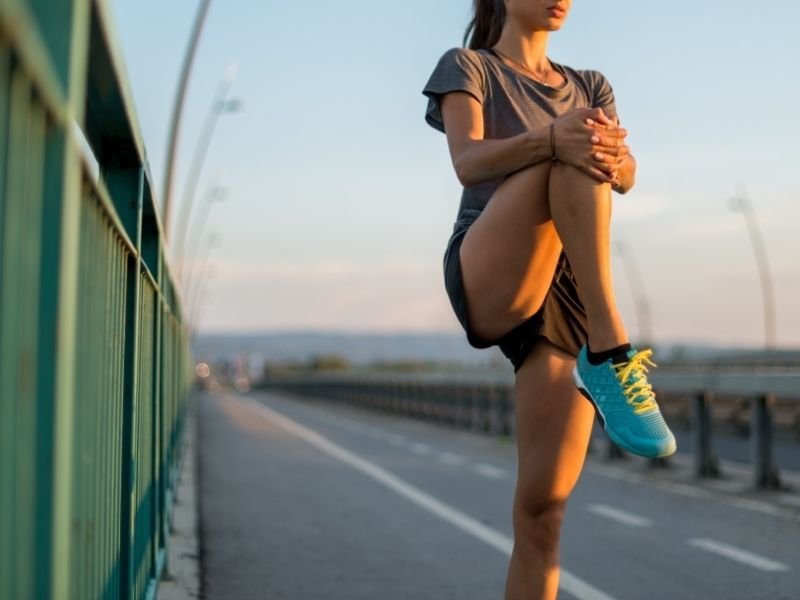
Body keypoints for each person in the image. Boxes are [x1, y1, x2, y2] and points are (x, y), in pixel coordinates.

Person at [421, 1, 677, 598]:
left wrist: (615, 156)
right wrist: (554, 138)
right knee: (570, 145)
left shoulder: (590, 85)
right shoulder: (470, 67)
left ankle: (598, 352)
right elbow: (469, 162)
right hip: (492, 260)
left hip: (567, 289)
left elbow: (628, 174)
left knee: (543, 514)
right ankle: (611, 351)